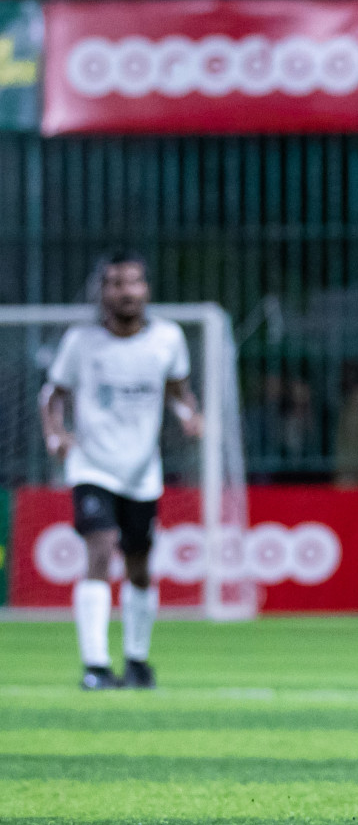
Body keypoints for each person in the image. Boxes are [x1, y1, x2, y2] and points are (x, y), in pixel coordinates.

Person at [38, 250, 202, 691]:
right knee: (100, 546)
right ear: (102, 292)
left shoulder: (167, 338)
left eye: (133, 282)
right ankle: (95, 665)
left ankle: (136, 660)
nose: (126, 291)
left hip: (141, 470)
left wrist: (189, 413)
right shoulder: (81, 342)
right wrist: (56, 435)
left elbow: (178, 388)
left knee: (140, 564)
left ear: (146, 289)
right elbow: (51, 394)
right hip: (92, 464)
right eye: (116, 283)